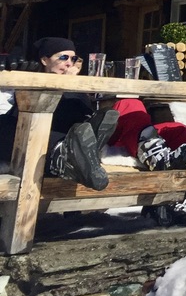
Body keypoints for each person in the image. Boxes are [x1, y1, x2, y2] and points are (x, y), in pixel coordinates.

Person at [0, 37, 116, 190]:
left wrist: (73, 86)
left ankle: (80, 150)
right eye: (63, 57)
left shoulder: (76, 92)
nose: (69, 63)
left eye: (73, 58)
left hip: (64, 132)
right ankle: (72, 152)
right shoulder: (30, 79)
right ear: (44, 60)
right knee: (6, 123)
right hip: (31, 135)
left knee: (80, 114)